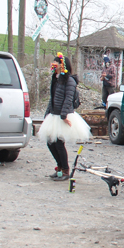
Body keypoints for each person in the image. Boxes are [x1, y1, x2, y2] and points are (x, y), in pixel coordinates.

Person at [38, 53, 92, 181]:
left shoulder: (69, 81)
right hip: (54, 114)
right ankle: (60, 167)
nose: (53, 65)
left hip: (63, 115)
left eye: (56, 63)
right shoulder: (55, 79)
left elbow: (68, 98)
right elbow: (52, 98)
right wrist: (47, 114)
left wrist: (63, 115)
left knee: (58, 143)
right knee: (51, 143)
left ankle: (65, 169)